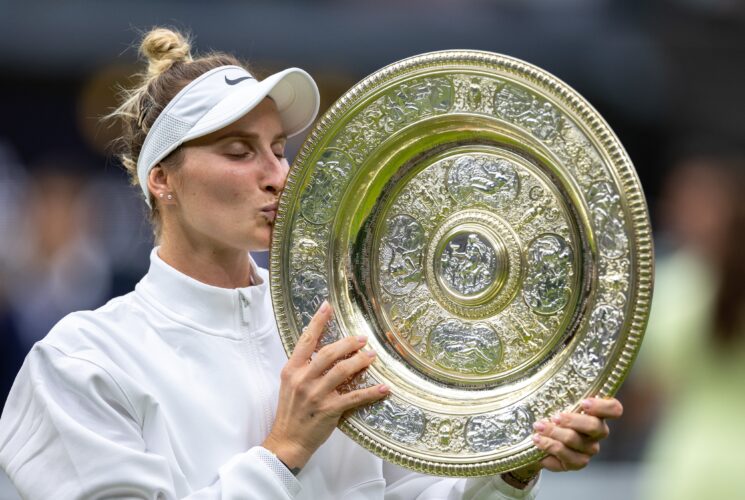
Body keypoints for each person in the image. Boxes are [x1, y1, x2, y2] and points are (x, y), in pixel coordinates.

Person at [0, 28, 622, 499]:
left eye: (278, 149)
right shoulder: (79, 363)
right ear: (161, 180)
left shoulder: (345, 332)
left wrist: (512, 467)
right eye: (238, 151)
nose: (277, 176)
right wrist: (284, 449)